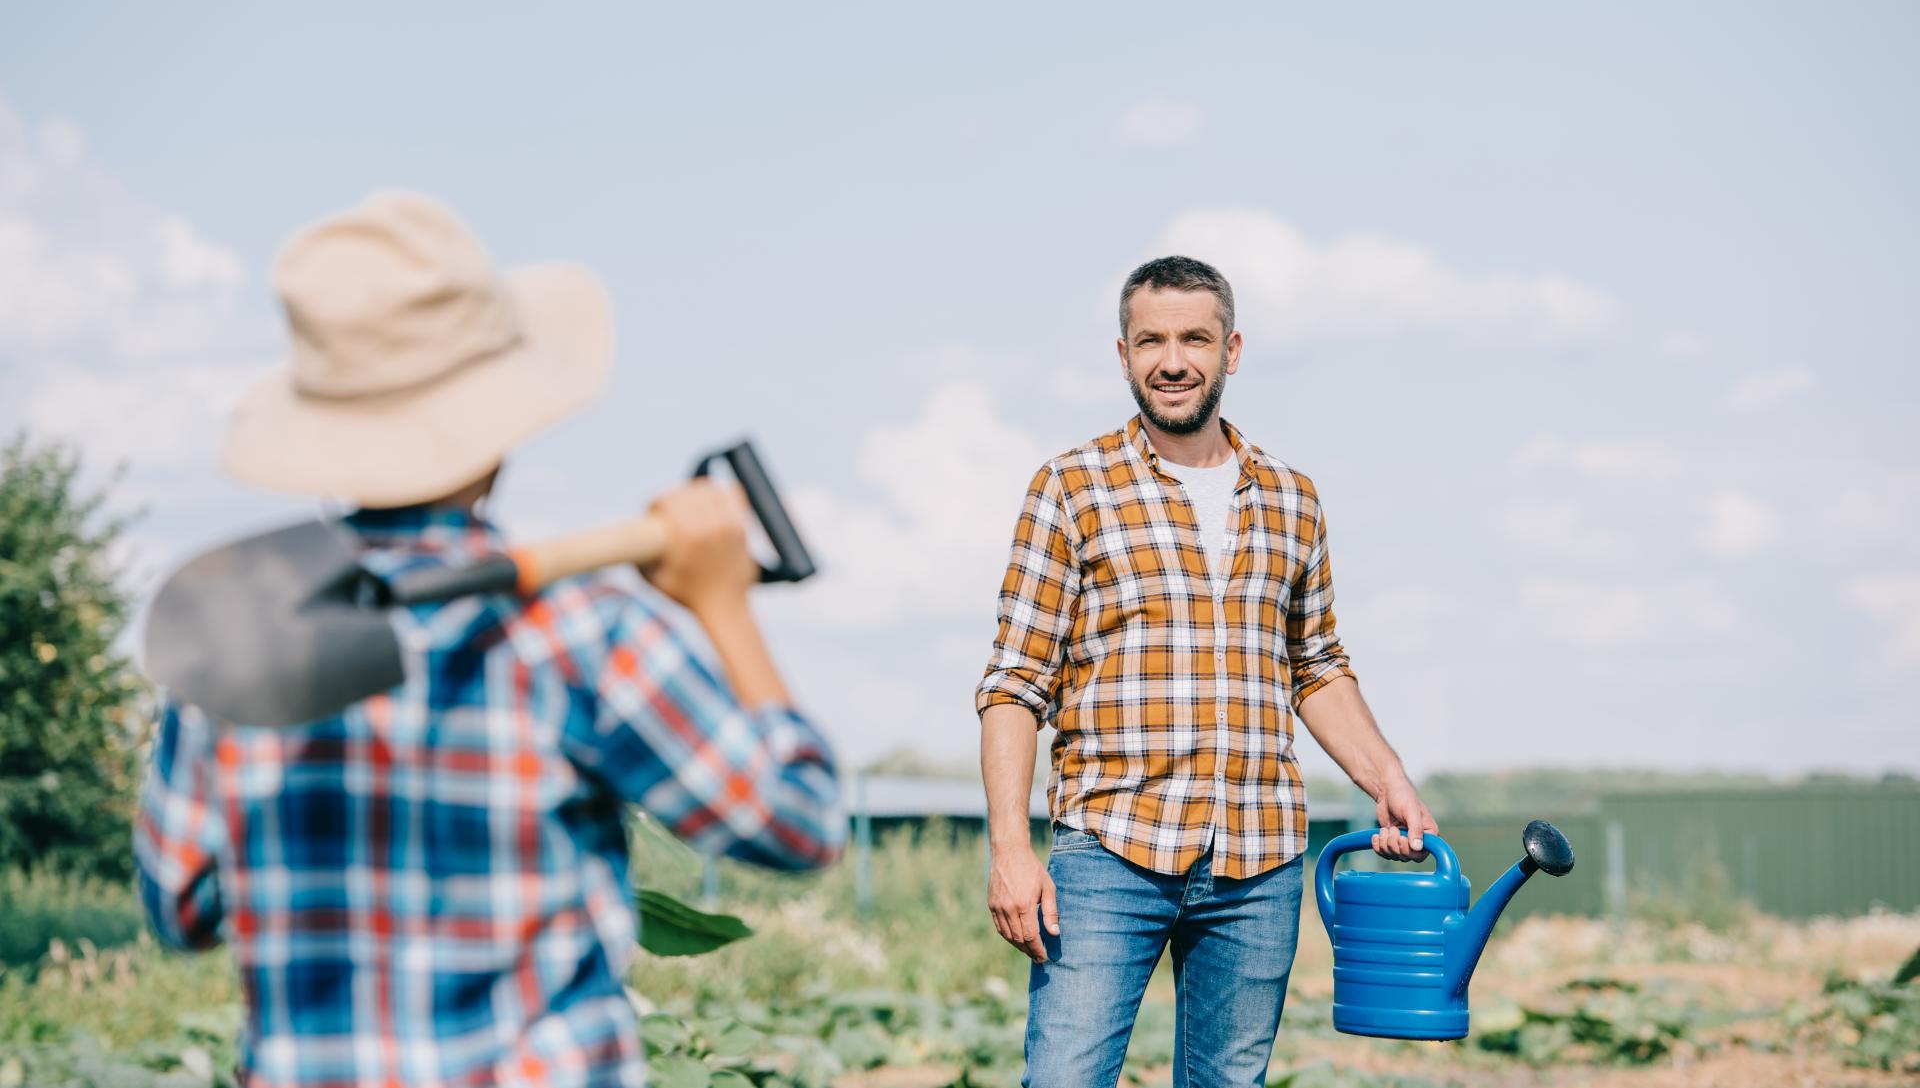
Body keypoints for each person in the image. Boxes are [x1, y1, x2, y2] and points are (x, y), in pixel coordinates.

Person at [134, 191, 843, 1088]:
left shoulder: (235, 644)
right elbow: (799, 822)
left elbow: (180, 907)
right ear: (498, 421)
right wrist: (726, 604)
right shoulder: (582, 633)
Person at [976, 255, 1438, 1088]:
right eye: (1150, 339)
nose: (1173, 358)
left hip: (1258, 858)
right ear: (1123, 355)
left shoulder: (1292, 498)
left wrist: (1387, 774)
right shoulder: (1071, 487)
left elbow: (1317, 665)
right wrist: (1011, 847)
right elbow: (1015, 683)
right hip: (1109, 849)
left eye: (1194, 336)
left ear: (1232, 349)